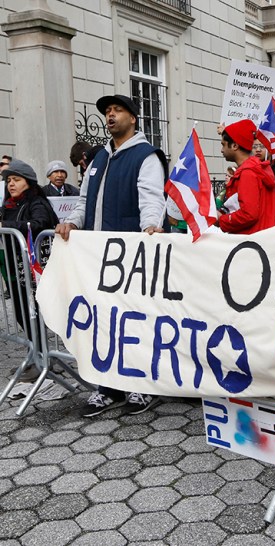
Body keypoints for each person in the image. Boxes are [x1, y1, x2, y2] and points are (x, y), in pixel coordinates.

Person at [55, 94, 168, 418]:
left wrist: (150, 226)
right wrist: (73, 223)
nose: (110, 115)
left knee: (135, 319)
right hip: (97, 256)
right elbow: (84, 201)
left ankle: (143, 383)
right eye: (107, 111)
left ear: (133, 118)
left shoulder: (146, 156)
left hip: (130, 255)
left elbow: (150, 198)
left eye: (117, 110)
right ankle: (109, 385)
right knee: (103, 320)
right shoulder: (99, 159)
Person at [0, 159, 59, 335]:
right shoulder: (8, 205)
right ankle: (36, 350)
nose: (11, 184)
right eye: (9, 180)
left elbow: (39, 224)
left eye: (16, 180)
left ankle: (42, 354)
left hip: (32, 270)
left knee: (34, 312)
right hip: (13, 268)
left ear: (28, 181)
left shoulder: (37, 202)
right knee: (21, 312)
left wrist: (5, 225)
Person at [217, 119, 275, 234]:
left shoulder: (248, 173)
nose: (222, 150)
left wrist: (221, 220)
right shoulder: (258, 168)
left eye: (223, 145)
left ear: (235, 146)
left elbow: (248, 214)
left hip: (252, 240)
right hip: (264, 236)